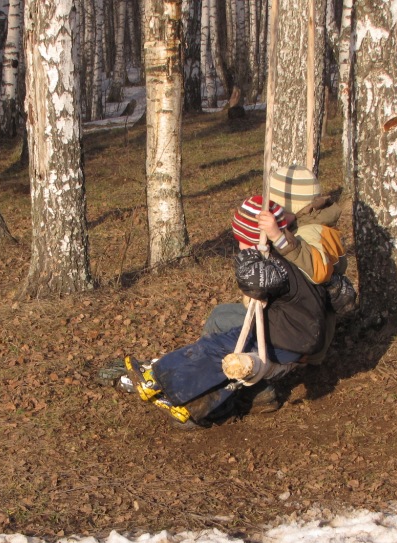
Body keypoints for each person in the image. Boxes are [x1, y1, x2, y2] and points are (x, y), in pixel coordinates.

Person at [121, 181, 347, 427]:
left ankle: (157, 378)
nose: (239, 246)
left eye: (242, 241)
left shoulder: (288, 255)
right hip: (292, 331)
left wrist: (253, 251)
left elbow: (257, 280)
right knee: (222, 328)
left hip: (288, 337)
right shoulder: (290, 247)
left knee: (215, 347)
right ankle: (202, 403)